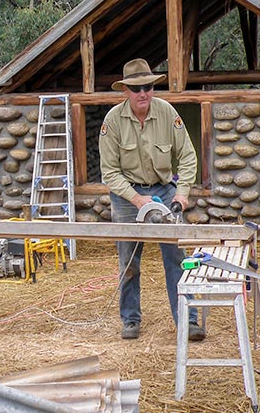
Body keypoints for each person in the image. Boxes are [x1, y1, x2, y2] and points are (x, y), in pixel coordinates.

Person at [99, 58, 205, 341]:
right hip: (126, 195)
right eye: (136, 89)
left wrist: (182, 194)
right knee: (129, 260)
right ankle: (130, 320)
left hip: (163, 189)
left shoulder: (168, 113)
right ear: (125, 91)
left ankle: (188, 319)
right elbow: (109, 172)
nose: (142, 93)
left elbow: (187, 156)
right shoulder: (112, 122)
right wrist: (137, 200)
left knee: (177, 258)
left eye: (147, 87)